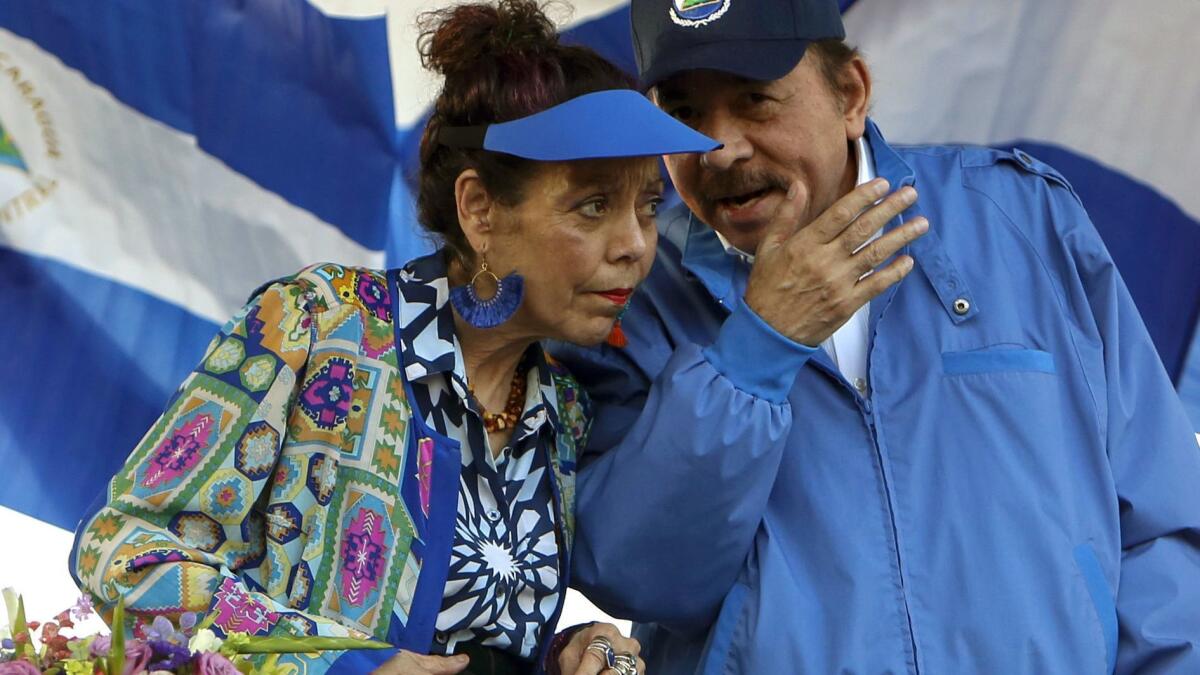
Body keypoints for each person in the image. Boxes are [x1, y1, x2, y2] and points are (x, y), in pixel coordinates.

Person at [550, 0, 1200, 672]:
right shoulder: (629, 299)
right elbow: (645, 574)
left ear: (851, 94)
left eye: (755, 99)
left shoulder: (1024, 219)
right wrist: (758, 347)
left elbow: (1161, 521)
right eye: (683, 114)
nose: (722, 148)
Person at [68, 2, 716, 673]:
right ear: (479, 209)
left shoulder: (566, 413)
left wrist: (564, 654)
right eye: (592, 205)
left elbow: (451, 632)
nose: (637, 247)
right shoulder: (315, 324)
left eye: (647, 206)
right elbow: (119, 549)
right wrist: (342, 663)